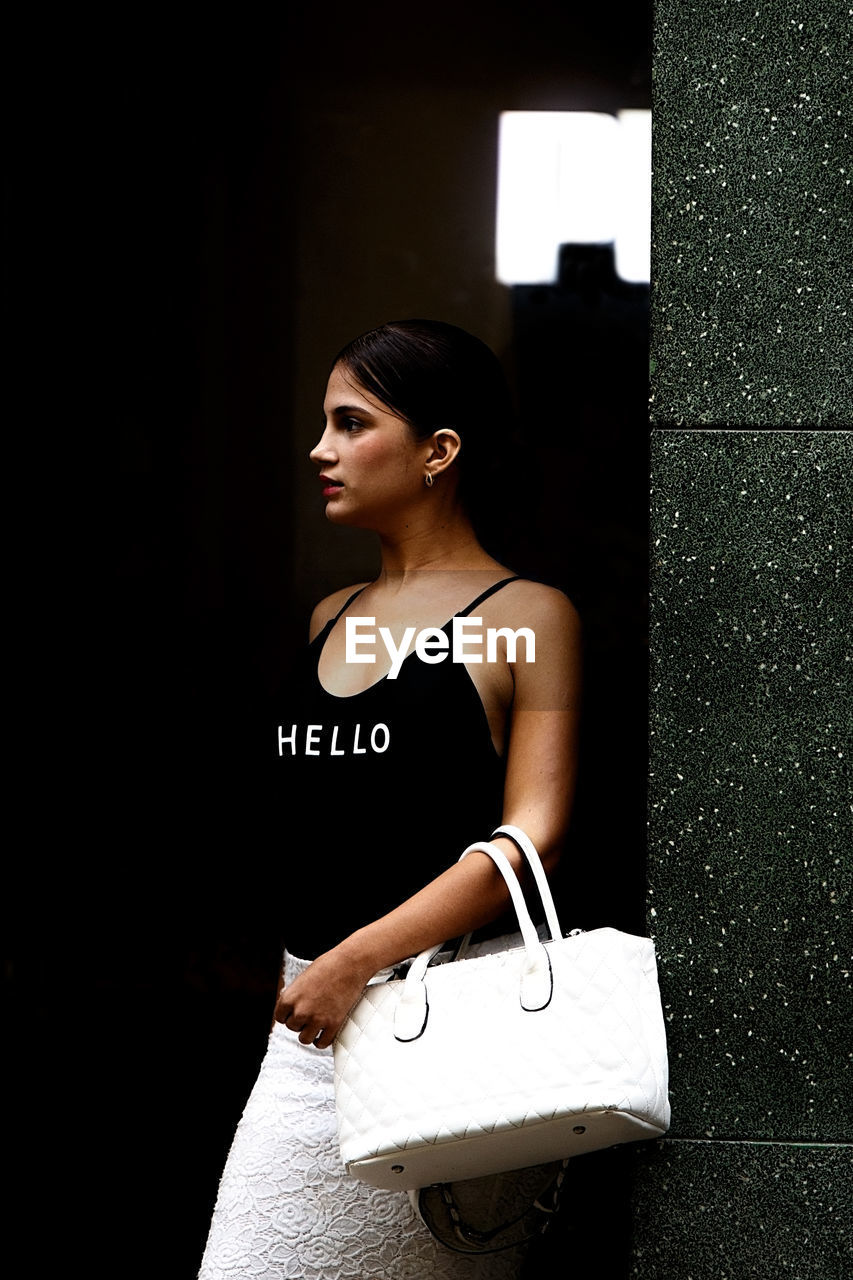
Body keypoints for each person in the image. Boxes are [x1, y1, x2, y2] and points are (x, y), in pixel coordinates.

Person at [197, 319, 582, 1279]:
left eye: (350, 423)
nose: (319, 450)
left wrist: (353, 963)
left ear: (438, 452)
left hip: (451, 1033)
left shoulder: (525, 617)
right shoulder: (332, 616)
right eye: (324, 424)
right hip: (304, 1043)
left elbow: (531, 837)